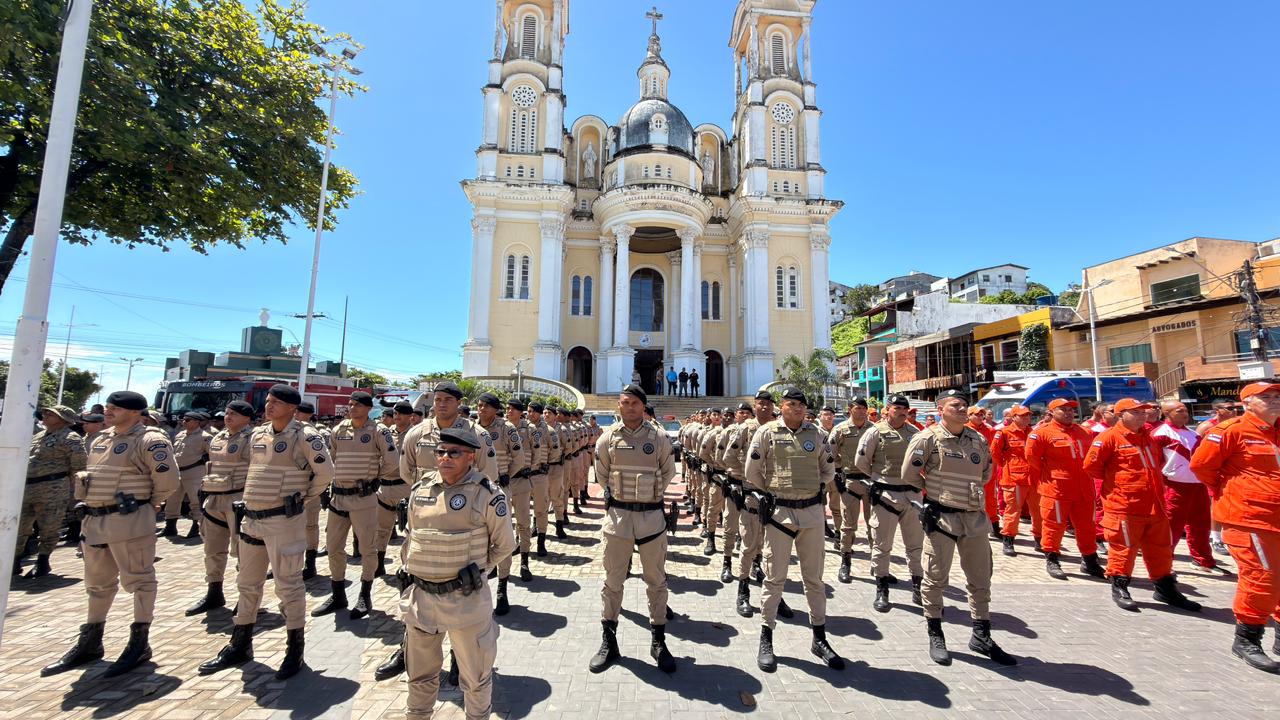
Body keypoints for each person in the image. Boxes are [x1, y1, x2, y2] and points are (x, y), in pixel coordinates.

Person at [197, 384, 334, 680]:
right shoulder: (258, 435)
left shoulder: (305, 436)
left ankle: (294, 649)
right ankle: (240, 642)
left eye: (276, 402)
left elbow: (325, 473)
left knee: (288, 586)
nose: (269, 406)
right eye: (268, 401)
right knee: (247, 583)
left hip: (284, 521)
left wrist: (302, 498)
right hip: (252, 519)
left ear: (292, 408)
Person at [42, 390, 178, 678]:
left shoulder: (150, 440)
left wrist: (148, 503)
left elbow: (168, 480)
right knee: (97, 584)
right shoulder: (101, 439)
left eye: (116, 408)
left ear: (135, 412)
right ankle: (91, 641)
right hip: (95, 520)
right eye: (108, 406)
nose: (108, 411)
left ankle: (139, 642)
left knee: (139, 581)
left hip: (129, 520)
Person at [375, 381, 497, 681]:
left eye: (447, 399)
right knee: (413, 585)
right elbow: (407, 473)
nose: (441, 404)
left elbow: (489, 478)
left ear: (458, 403)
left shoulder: (477, 436)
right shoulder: (417, 434)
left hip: (462, 527)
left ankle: (460, 655)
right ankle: (408, 649)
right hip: (424, 525)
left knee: (463, 588)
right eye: (437, 399)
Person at [399, 427, 516, 719]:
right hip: (422, 601)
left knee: (476, 680)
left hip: (466, 601)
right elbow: (410, 537)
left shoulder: (487, 494)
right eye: (441, 452)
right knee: (419, 679)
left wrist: (477, 570)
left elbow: (505, 544)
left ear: (471, 457)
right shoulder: (421, 490)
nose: (445, 458)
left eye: (454, 453)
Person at [903, 390, 1017, 667]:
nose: (963, 409)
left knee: (980, 578)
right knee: (935, 578)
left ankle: (981, 635)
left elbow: (986, 472)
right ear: (940, 409)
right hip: (942, 519)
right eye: (956, 405)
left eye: (965, 405)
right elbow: (909, 474)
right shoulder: (927, 438)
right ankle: (935, 633)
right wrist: (933, 495)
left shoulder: (977, 439)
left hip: (974, 519)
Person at [746, 386, 842, 672]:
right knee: (774, 578)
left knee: (814, 579)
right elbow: (752, 473)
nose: (797, 408)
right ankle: (766, 638)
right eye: (791, 404)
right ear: (782, 407)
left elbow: (828, 470)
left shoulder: (817, 434)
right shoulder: (766, 433)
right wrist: (773, 494)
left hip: (811, 514)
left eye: (801, 404)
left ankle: (819, 638)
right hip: (780, 514)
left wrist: (810, 489)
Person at [1190, 382, 1280, 672]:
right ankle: (1247, 639)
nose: (1274, 400)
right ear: (1247, 403)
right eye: (1266, 397)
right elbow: (1202, 467)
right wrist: (1235, 491)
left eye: (1277, 396)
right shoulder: (1230, 431)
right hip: (1249, 518)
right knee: (1261, 579)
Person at [589, 385, 677, 674]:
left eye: (635, 403)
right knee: (613, 581)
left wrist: (648, 494)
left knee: (656, 581)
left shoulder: (659, 437)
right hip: (619, 518)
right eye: (625, 402)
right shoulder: (608, 438)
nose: (629, 408)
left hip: (651, 518)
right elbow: (602, 474)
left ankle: (658, 641)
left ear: (643, 406)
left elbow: (668, 472)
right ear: (619, 405)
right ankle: (609, 641)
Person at [1084, 398, 1200, 613]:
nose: (1142, 416)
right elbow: (1092, 467)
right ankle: (1120, 586)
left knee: (1161, 549)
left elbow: (1158, 464)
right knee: (1123, 549)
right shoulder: (1108, 438)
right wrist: (1121, 487)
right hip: (1125, 505)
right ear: (1121, 415)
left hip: (1155, 505)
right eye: (1136, 412)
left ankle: (1165, 588)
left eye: (1143, 412)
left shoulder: (1149, 438)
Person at [313, 391, 400, 619]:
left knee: (367, 549)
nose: (352, 408)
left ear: (368, 408)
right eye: (350, 404)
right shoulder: (339, 430)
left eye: (357, 405)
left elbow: (392, 461)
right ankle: (338, 594)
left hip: (363, 499)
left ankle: (365, 595)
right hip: (339, 498)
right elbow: (331, 459)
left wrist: (375, 478)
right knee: (334, 547)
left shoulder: (378, 431)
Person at [855, 394, 924, 611]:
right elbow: (861, 462)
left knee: (915, 546)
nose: (902, 412)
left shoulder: (916, 433)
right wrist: (879, 479)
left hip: (911, 496)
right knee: (882, 545)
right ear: (888, 409)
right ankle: (882, 589)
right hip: (885, 495)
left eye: (905, 409)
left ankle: (918, 587)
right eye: (897, 408)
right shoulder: (875, 432)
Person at [185, 400, 254, 616]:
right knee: (212, 549)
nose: (228, 417)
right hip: (214, 499)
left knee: (244, 551)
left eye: (234, 414)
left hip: (239, 500)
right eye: (227, 413)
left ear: (247, 418)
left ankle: (247, 598)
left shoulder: (253, 439)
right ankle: (214, 592)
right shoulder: (218, 438)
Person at [1025, 398, 1105, 580]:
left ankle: (1089, 560)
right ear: (1051, 412)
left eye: (1071, 409)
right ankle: (1052, 558)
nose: (1069, 413)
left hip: (1084, 488)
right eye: (1063, 409)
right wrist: (1052, 475)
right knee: (1053, 525)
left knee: (1087, 526)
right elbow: (1033, 459)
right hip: (1056, 489)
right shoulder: (1041, 434)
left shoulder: (1085, 432)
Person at [1151, 400, 1228, 574]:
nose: (1185, 413)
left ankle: (1202, 559)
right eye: (1179, 410)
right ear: (1167, 413)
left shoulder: (1194, 435)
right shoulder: (1159, 434)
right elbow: (1153, 463)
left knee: (1200, 524)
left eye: (1185, 410)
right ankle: (1163, 563)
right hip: (1173, 486)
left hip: (1197, 484)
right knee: (1171, 526)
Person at [15, 404, 86, 578]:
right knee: (19, 526)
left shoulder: (71, 438)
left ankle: (42, 561)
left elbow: (79, 467)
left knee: (49, 527)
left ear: (63, 419)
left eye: (50, 414)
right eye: (45, 413)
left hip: (52, 488)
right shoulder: (38, 436)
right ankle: (14, 560)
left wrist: (73, 491)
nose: (45, 416)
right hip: (27, 488)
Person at [475, 392, 525, 615]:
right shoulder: (470, 428)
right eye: (479, 405)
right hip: (474, 490)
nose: (481, 409)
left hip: (497, 489)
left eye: (486, 406)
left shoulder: (507, 429)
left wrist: (505, 475)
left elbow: (519, 458)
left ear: (495, 409)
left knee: (502, 536)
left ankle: (502, 587)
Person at [829, 397, 875, 583]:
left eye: (864, 408)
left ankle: (878, 564)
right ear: (850, 409)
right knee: (848, 525)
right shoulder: (840, 429)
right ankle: (845, 562)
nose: (862, 411)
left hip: (871, 481)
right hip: (850, 481)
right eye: (858, 408)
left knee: (875, 525)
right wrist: (838, 472)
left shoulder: (874, 429)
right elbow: (830, 453)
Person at [373, 401, 417, 578]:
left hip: (405, 487)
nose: (397, 417)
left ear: (410, 416)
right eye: (395, 414)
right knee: (381, 529)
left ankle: (408, 566)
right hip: (385, 487)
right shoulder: (386, 433)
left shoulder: (415, 434)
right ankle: (378, 564)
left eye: (401, 414)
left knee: (410, 531)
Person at [990, 405, 1041, 556]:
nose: (1026, 418)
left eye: (1028, 415)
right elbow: (994, 453)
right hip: (1014, 479)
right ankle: (1008, 540)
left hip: (1035, 478)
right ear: (1013, 417)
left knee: (1038, 511)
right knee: (1012, 511)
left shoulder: (1034, 432)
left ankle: (1039, 539)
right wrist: (1007, 465)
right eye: (1022, 415)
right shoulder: (1004, 433)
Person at [716, 402, 753, 585]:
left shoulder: (758, 431)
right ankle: (727, 562)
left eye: (747, 413)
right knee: (730, 524)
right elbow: (720, 458)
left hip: (754, 487)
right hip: (735, 484)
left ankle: (756, 563)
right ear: (736, 415)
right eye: (741, 412)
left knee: (755, 528)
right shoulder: (729, 432)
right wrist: (737, 472)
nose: (744, 415)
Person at [159, 411, 211, 539]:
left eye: (187, 420)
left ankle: (196, 526)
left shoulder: (205, 437)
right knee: (172, 499)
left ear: (196, 422)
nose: (184, 422)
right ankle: (170, 526)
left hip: (195, 471)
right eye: (183, 419)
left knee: (196, 500)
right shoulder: (180, 435)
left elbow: (212, 455)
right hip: (178, 471)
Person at [295, 401, 324, 579]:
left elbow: (323, 468)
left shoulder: (312, 434)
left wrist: (313, 492)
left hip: (309, 489)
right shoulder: (290, 433)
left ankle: (310, 564)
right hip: (290, 491)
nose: (295, 415)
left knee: (310, 527)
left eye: (298, 412)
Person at [698, 408, 727, 556]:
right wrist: (713, 464)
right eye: (715, 414)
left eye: (719, 415)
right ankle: (709, 534)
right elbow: (701, 451)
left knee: (733, 511)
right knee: (710, 502)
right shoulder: (710, 432)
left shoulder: (738, 432)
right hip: (715, 474)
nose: (719, 417)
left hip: (734, 477)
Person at [528, 402, 555, 557]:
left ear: (538, 413)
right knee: (522, 511)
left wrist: (545, 464)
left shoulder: (548, 431)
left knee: (541, 508)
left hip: (539, 475)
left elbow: (555, 451)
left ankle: (541, 541)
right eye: (528, 411)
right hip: (524, 476)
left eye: (532, 411)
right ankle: (522, 541)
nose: (530, 414)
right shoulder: (523, 429)